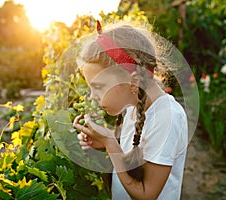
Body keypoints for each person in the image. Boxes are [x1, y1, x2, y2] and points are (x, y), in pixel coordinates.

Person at [73, 21, 188, 200]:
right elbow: (137, 151)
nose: (92, 96)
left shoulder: (167, 117)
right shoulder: (133, 109)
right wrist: (102, 142)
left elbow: (146, 194)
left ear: (133, 82)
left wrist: (111, 144)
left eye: (99, 87)